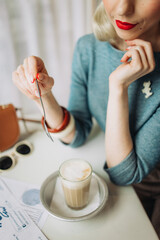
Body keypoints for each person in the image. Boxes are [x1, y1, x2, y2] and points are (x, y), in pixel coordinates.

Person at [13, 0, 160, 237]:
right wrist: (43, 95)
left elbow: (124, 174)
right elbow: (78, 132)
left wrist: (118, 86)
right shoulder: (89, 48)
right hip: (116, 188)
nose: (122, 8)